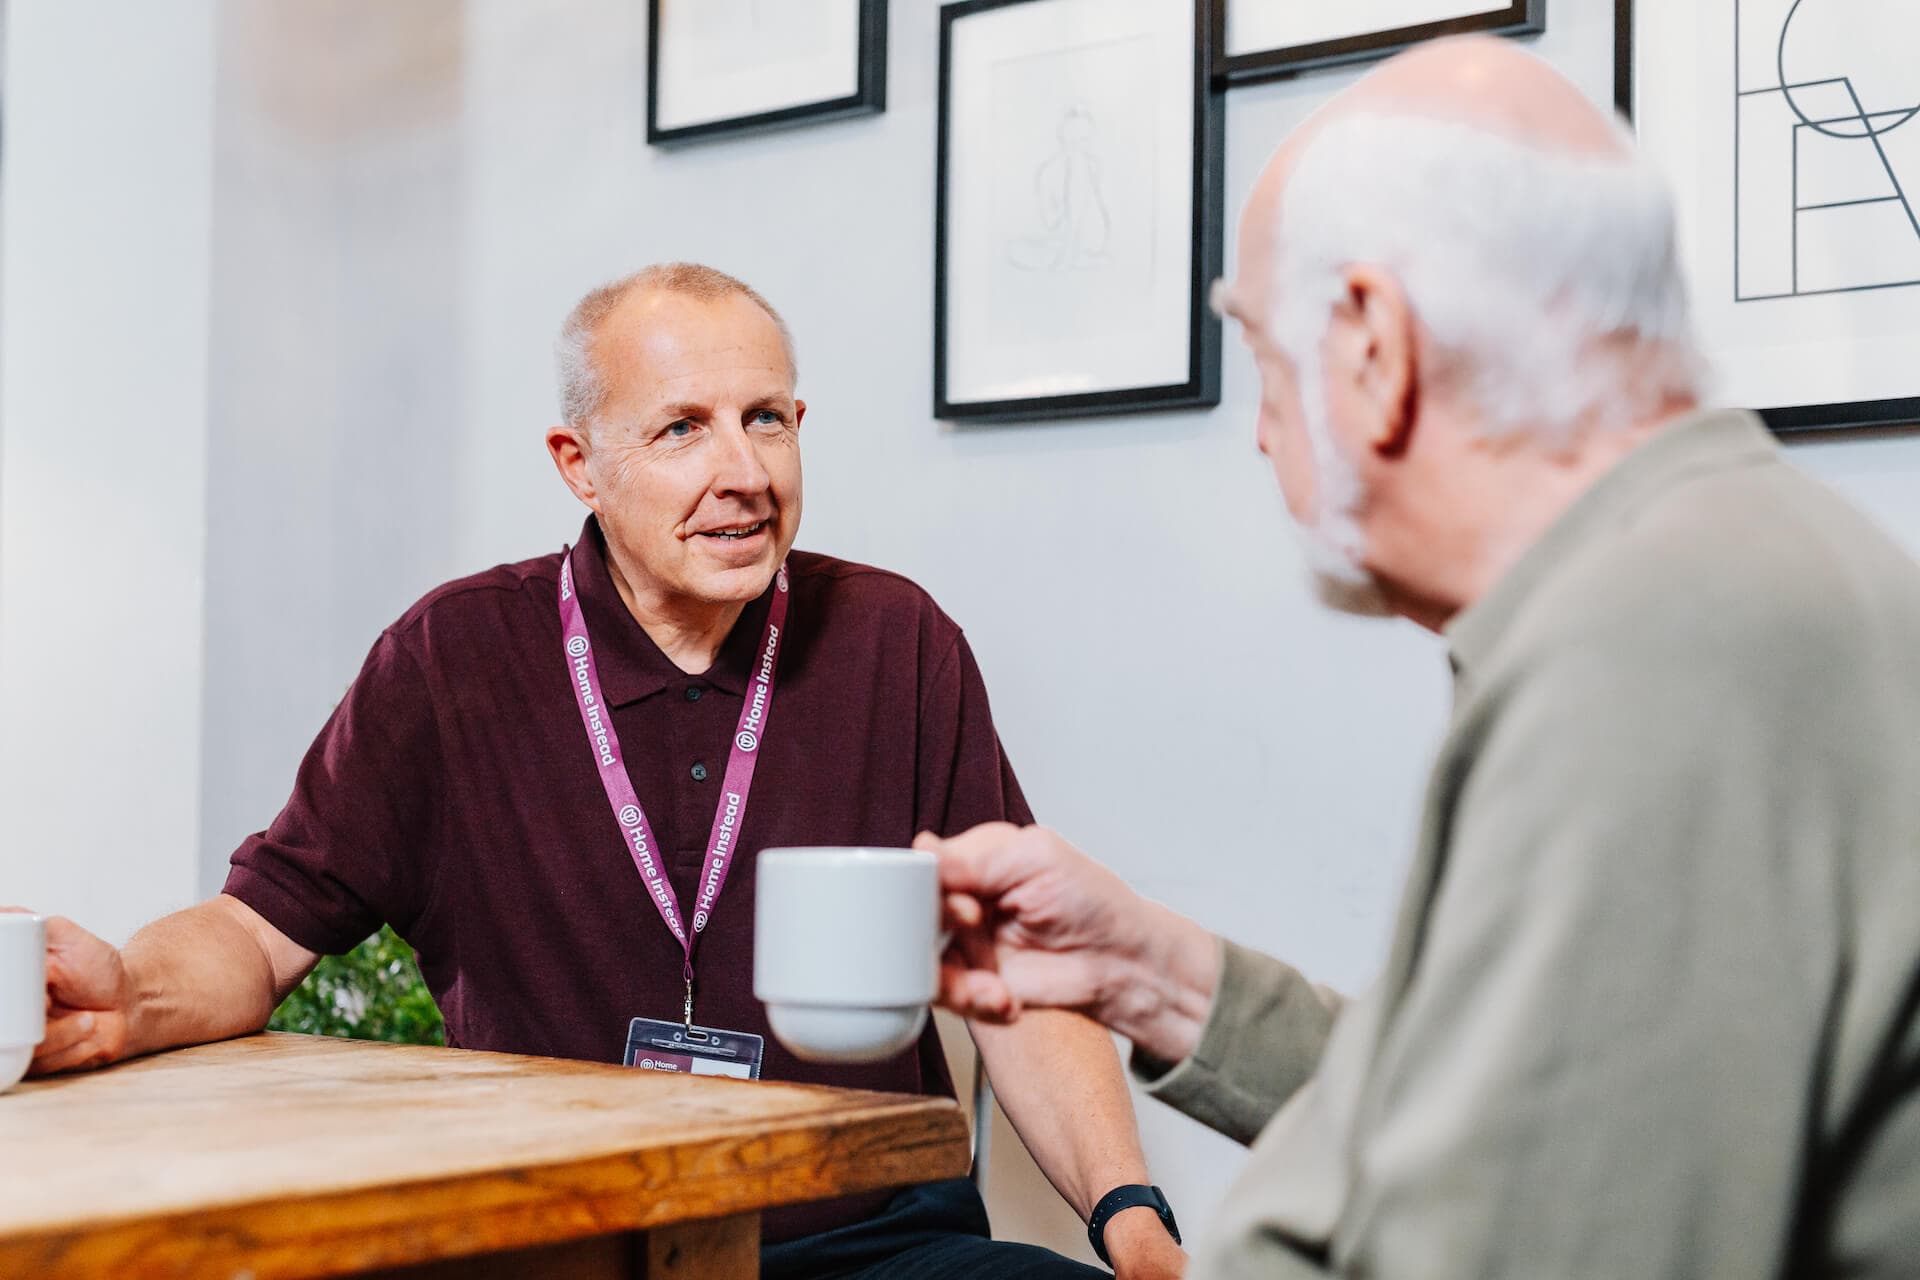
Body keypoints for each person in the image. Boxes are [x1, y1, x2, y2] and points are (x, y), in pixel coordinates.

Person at [919, 38, 1920, 1279]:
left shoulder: (1662, 657)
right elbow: (1522, 1114)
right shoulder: (1723, 572)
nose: (1264, 436)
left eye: (1269, 367)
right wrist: (1145, 970)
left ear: (1375, 348)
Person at [24, 264, 1187, 1280]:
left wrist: (1133, 1220)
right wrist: (130, 992)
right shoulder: (450, 655)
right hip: (564, 1244)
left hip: (869, 1237)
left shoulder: (898, 639)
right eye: (683, 427)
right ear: (578, 463)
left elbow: (1019, 980)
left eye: (767, 419)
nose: (743, 469)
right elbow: (258, 928)